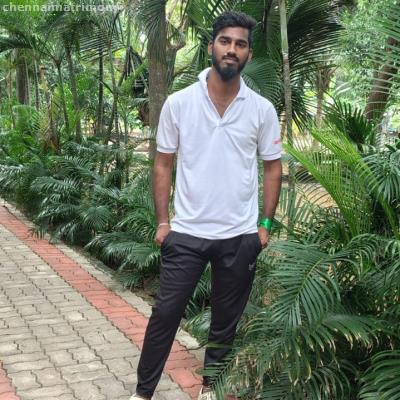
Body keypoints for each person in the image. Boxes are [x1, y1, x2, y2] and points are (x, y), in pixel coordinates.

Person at [130, 10, 282, 400]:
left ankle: (210, 387)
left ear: (249, 54)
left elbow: (272, 168)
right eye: (225, 41)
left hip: (239, 236)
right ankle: (143, 393)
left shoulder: (261, 109)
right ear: (212, 46)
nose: (232, 49)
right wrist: (163, 221)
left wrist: (264, 225)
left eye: (240, 44)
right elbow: (163, 163)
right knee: (165, 314)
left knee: (225, 321)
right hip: (187, 232)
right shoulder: (180, 103)